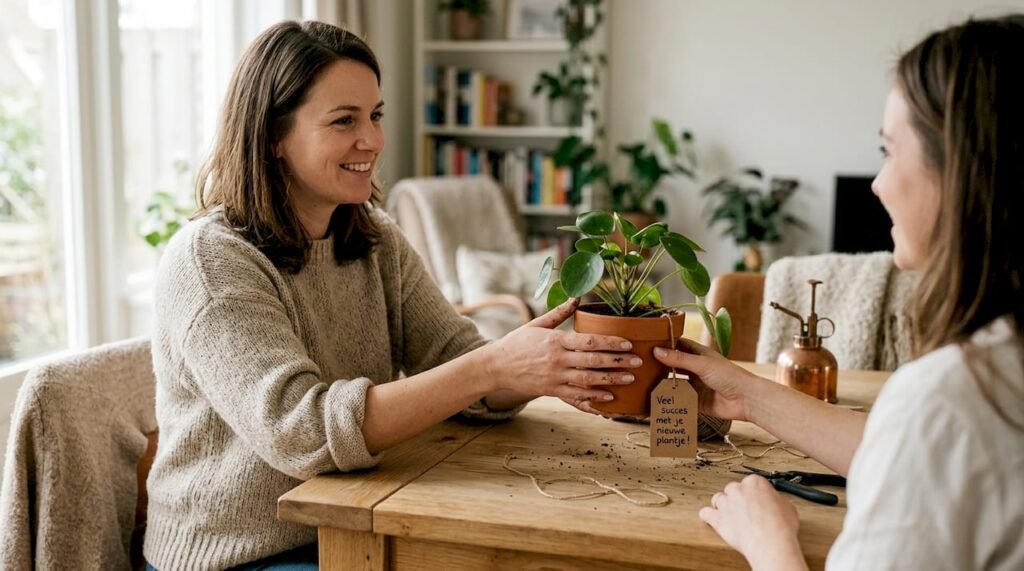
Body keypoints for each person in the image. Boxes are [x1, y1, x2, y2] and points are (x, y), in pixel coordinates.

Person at [144, 21, 641, 570]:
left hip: (358, 516)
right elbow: (300, 432)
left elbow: (455, 360)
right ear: (273, 138)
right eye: (344, 121)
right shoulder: (210, 261)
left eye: (375, 115)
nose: (374, 141)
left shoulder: (373, 237)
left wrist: (528, 367)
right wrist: (493, 367)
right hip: (241, 554)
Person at [652, 14, 1023, 571]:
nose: (878, 183)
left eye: (889, 151)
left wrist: (768, 540)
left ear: (963, 173)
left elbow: (929, 439)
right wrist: (747, 397)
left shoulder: (953, 397)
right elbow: (915, 456)